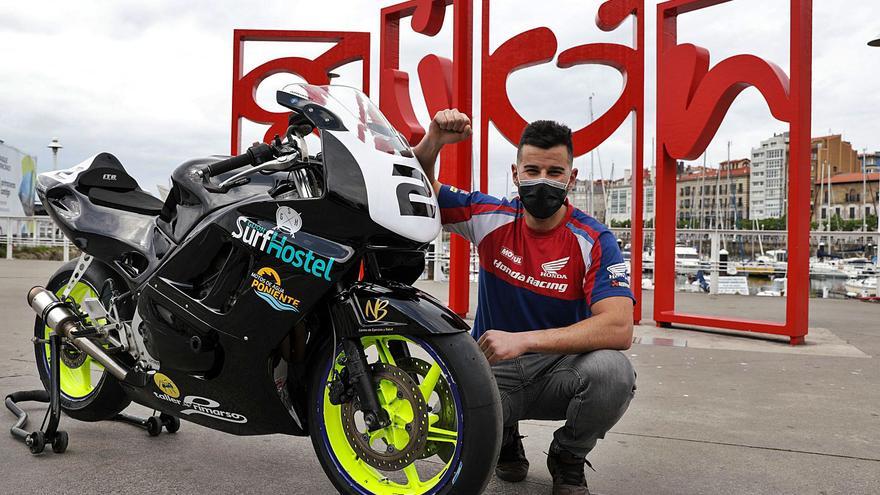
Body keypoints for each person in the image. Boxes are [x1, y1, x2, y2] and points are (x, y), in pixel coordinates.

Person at [413, 109, 637, 495]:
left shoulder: (595, 239)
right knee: (440, 426)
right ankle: (504, 438)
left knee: (614, 373)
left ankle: (567, 457)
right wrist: (432, 142)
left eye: (554, 172)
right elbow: (417, 187)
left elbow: (619, 326)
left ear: (572, 178)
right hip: (493, 368)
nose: (542, 182)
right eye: (531, 171)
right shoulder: (489, 216)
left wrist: (526, 340)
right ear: (515, 175)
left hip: (558, 373)